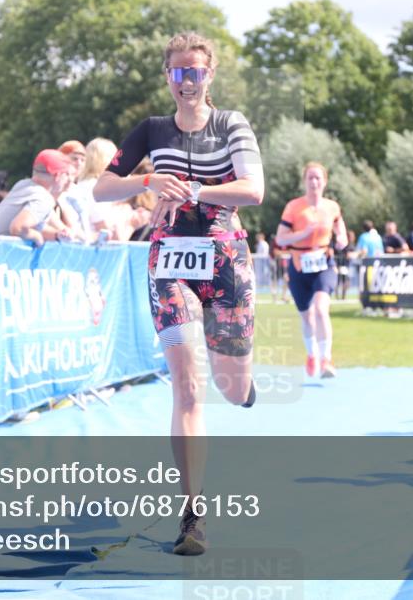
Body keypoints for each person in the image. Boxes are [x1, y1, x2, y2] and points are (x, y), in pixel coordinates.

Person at [92, 32, 263, 556]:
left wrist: (192, 190)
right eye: (178, 73)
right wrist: (147, 181)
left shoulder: (231, 124)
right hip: (170, 264)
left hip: (226, 262)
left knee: (231, 389)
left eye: (196, 72)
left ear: (210, 75)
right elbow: (102, 188)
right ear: (167, 77)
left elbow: (253, 190)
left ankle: (243, 384)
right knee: (188, 387)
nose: (187, 82)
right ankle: (193, 516)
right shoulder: (151, 131)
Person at [275, 162, 348, 379]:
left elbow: (339, 227)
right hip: (299, 265)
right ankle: (312, 354)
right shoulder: (294, 207)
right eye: (310, 178)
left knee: (320, 309)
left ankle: (327, 359)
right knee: (306, 316)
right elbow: (280, 238)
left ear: (325, 182)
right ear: (305, 181)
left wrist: (342, 238)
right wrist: (303, 232)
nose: (314, 182)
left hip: (324, 263)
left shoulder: (332, 207)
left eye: (318, 178)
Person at [0, 149, 74, 245]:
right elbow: (18, 228)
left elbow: (36, 226)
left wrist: (57, 235)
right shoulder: (43, 198)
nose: (69, 179)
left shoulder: (23, 184)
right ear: (58, 176)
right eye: (67, 174)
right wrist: (37, 237)